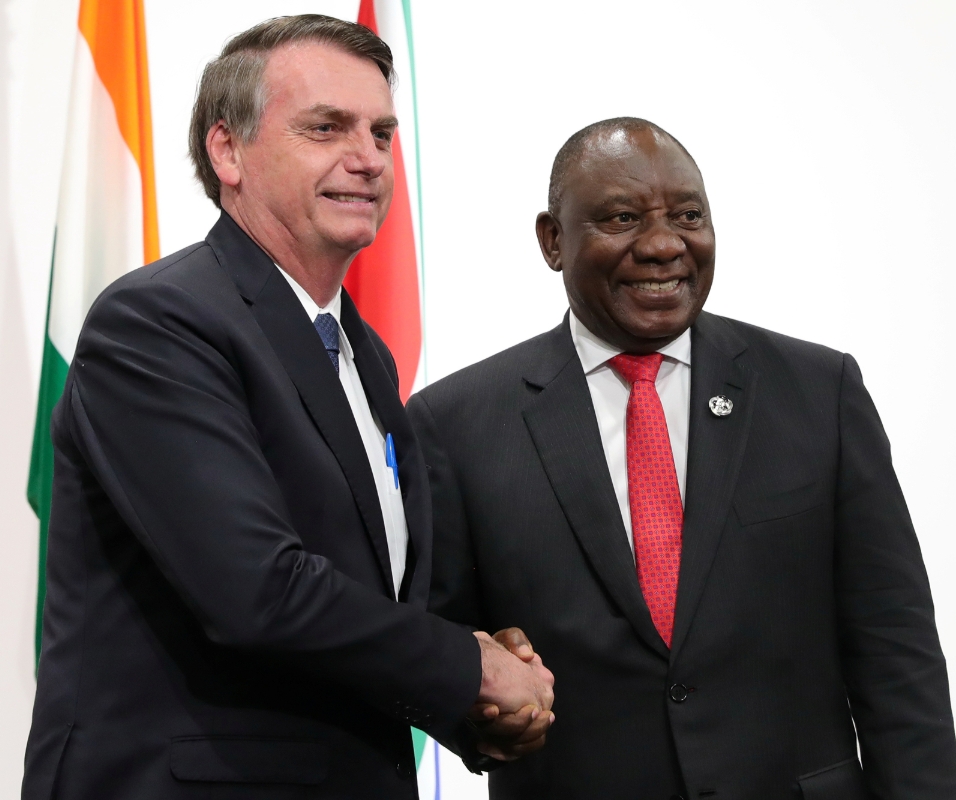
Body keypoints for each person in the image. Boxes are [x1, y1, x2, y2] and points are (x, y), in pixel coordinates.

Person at [21, 16, 553, 800]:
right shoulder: (159, 323)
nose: (367, 158)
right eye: (326, 128)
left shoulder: (359, 352)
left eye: (381, 132)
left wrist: (470, 703)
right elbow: (257, 590)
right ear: (226, 151)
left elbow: (358, 607)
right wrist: (470, 666)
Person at [407, 117, 956, 799]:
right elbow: (436, 647)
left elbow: (895, 648)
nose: (665, 245)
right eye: (622, 218)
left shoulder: (820, 393)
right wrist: (485, 719)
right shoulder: (453, 423)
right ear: (553, 240)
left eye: (688, 215)